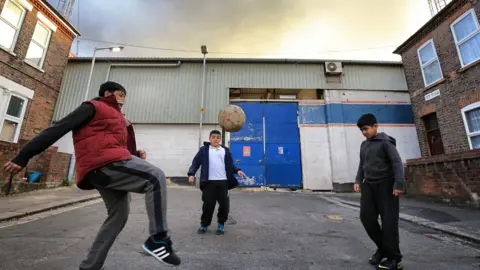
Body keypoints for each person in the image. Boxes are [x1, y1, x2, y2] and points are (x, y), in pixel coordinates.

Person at [3, 81, 180, 270]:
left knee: (119, 215)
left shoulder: (120, 118)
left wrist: (136, 156)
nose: (123, 100)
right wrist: (23, 155)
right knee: (155, 176)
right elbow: (57, 129)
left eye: (125, 98)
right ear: (107, 93)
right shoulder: (92, 107)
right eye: (120, 95)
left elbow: (117, 147)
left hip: (107, 167)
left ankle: (90, 266)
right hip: (103, 166)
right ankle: (159, 239)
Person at [354, 113, 404, 270]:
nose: (364, 132)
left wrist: (398, 184)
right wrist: (357, 181)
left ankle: (395, 259)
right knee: (366, 218)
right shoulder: (364, 145)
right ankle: (383, 249)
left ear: (376, 126)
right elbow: (362, 164)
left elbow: (397, 163)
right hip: (369, 185)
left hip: (387, 186)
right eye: (361, 130)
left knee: (389, 223)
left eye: (366, 129)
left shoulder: (385, 143)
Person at [187, 130, 246, 235]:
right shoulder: (204, 150)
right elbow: (195, 163)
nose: (215, 139)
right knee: (208, 205)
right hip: (209, 182)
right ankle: (204, 224)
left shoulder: (225, 151)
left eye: (218, 137)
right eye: (213, 137)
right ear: (210, 138)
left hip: (223, 182)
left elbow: (230, 165)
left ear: (220, 139)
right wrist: (191, 174)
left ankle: (221, 224)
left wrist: (238, 170)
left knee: (224, 205)